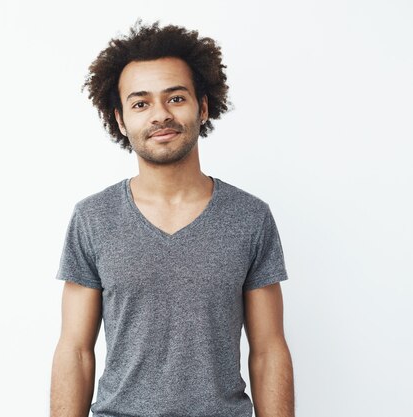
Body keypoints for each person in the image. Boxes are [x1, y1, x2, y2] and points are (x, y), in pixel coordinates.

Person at [50, 19, 294, 417]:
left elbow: (268, 350)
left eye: (176, 98)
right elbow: (75, 350)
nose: (159, 114)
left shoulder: (251, 218)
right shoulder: (93, 218)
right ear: (119, 119)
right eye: (141, 103)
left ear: (203, 106)